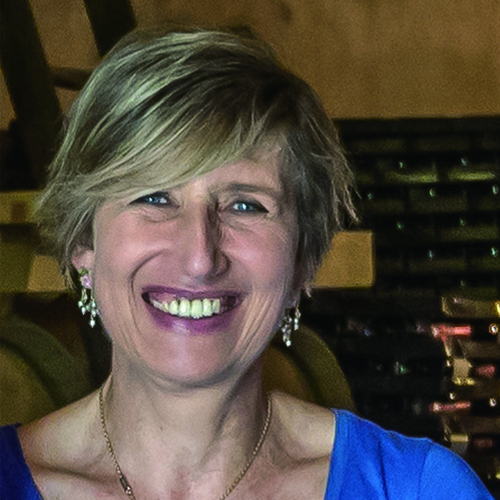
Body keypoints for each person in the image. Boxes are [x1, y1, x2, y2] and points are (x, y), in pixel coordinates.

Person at [0, 27, 493, 500]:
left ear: (303, 260)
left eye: (245, 205)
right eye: (153, 197)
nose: (199, 257)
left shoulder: (418, 490)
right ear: (83, 242)